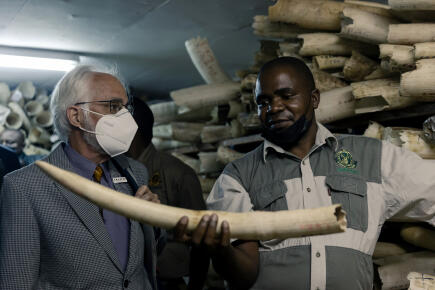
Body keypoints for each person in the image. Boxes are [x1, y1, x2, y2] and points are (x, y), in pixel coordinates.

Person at [179, 57, 435, 290]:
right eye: (263, 102)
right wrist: (219, 249)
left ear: (314, 99)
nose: (274, 107)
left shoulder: (372, 158)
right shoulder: (238, 175)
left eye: (286, 95)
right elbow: (243, 276)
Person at [0, 65, 165, 289]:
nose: (125, 117)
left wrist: (155, 224)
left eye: (126, 107)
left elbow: (147, 253)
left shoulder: (135, 173)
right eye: (113, 106)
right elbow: (17, 281)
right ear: (76, 116)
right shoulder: (25, 186)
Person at [128, 97, 209, 290]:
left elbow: (202, 241)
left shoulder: (177, 173)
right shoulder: (112, 172)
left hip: (167, 282)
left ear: (132, 130)